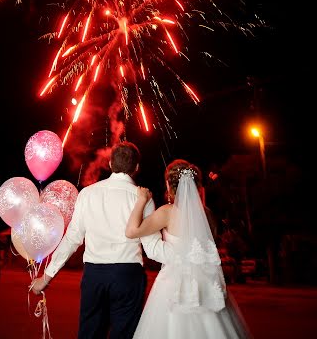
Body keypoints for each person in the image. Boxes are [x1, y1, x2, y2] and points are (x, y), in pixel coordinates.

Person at [30, 141, 170, 339]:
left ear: (110, 164)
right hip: (128, 275)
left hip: (95, 275)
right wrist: (184, 253)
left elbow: (72, 238)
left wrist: (47, 277)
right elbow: (153, 248)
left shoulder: (87, 194)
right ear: (137, 168)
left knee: (90, 333)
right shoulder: (143, 198)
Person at [125, 159, 254, 338]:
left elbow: (131, 231)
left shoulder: (167, 212)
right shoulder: (207, 215)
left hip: (174, 285)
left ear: (169, 184)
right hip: (205, 283)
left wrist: (141, 201)